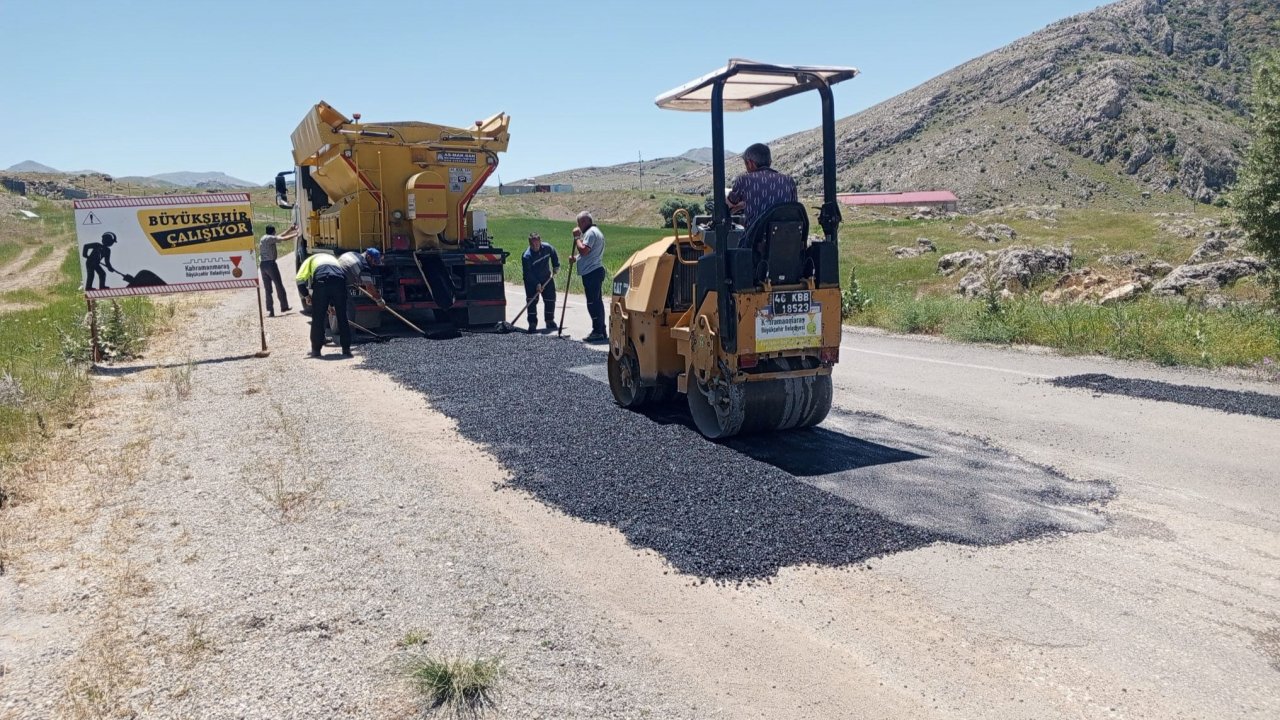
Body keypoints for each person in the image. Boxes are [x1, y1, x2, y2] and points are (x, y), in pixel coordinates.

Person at [726, 142, 797, 230]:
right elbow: (793, 208)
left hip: (755, 239)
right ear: (770, 162)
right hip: (785, 238)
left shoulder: (745, 179)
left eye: (746, 164)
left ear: (750, 163)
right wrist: (744, 204)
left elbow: (729, 204)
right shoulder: (789, 181)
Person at [295, 252, 352, 358]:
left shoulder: (309, 261)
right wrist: (333, 305)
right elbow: (334, 279)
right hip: (339, 282)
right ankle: (346, 349)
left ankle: (316, 350)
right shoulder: (333, 260)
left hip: (321, 282)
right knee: (342, 316)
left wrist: (306, 296)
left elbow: (299, 279)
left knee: (318, 318)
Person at [569, 211, 608, 343]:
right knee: (597, 302)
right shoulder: (596, 232)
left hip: (592, 272)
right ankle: (601, 330)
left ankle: (597, 331)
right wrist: (576, 258)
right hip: (594, 271)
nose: (579, 227)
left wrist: (576, 238)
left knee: (592, 303)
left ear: (585, 222)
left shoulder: (591, 232)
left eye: (579, 223)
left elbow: (585, 250)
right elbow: (588, 253)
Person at [521, 232, 560, 333]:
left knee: (550, 299)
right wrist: (537, 284)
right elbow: (528, 273)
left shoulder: (547, 248)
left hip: (546, 277)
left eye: (537, 244)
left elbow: (553, 252)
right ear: (529, 244)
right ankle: (532, 323)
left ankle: (549, 320)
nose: (535, 247)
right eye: (532, 245)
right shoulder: (527, 256)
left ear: (540, 242)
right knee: (532, 301)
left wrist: (556, 265)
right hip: (531, 281)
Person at [258, 224, 298, 316]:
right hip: (271, 265)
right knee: (279, 285)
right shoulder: (270, 238)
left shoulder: (264, 238)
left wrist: (290, 229)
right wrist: (295, 234)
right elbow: (283, 238)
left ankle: (270, 310)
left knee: (268, 289)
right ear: (273, 231)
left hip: (262, 265)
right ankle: (284, 306)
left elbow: (280, 236)